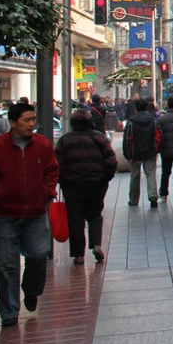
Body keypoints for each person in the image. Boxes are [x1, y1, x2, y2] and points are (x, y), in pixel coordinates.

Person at [0, 104, 59, 327]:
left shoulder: (42, 145)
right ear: (13, 123)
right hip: (5, 215)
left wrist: (47, 191)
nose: (32, 124)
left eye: (33, 119)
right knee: (6, 265)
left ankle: (31, 290)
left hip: (35, 213)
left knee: (38, 254)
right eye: (26, 120)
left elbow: (52, 170)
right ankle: (9, 312)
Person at [55, 111, 117, 264]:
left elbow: (58, 164)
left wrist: (62, 180)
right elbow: (111, 160)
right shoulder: (99, 137)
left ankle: (78, 255)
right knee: (95, 215)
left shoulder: (65, 140)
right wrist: (104, 178)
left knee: (75, 218)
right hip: (96, 183)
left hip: (72, 184)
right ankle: (96, 244)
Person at [123, 99, 162, 208]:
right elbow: (159, 137)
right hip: (150, 152)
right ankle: (153, 196)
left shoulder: (131, 122)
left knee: (135, 176)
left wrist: (128, 154)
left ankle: (133, 200)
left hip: (135, 154)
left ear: (136, 108)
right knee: (150, 174)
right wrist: (157, 150)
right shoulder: (153, 121)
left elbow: (127, 139)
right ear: (146, 108)